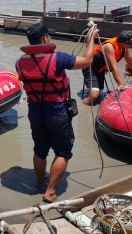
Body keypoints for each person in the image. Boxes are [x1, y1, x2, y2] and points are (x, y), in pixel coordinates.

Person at [16, 24, 100, 203]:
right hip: (56, 110)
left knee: (40, 150)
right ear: (45, 39)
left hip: (35, 110)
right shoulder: (58, 59)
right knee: (63, 151)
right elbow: (87, 61)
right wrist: (91, 37)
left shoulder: (19, 62)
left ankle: (40, 183)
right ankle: (51, 192)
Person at [81, 30, 132, 105]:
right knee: (94, 96)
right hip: (90, 69)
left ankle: (90, 91)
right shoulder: (109, 47)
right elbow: (114, 67)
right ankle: (82, 105)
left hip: (100, 70)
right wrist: (120, 84)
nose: (131, 45)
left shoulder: (124, 47)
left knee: (100, 94)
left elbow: (131, 61)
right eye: (130, 44)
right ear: (124, 43)